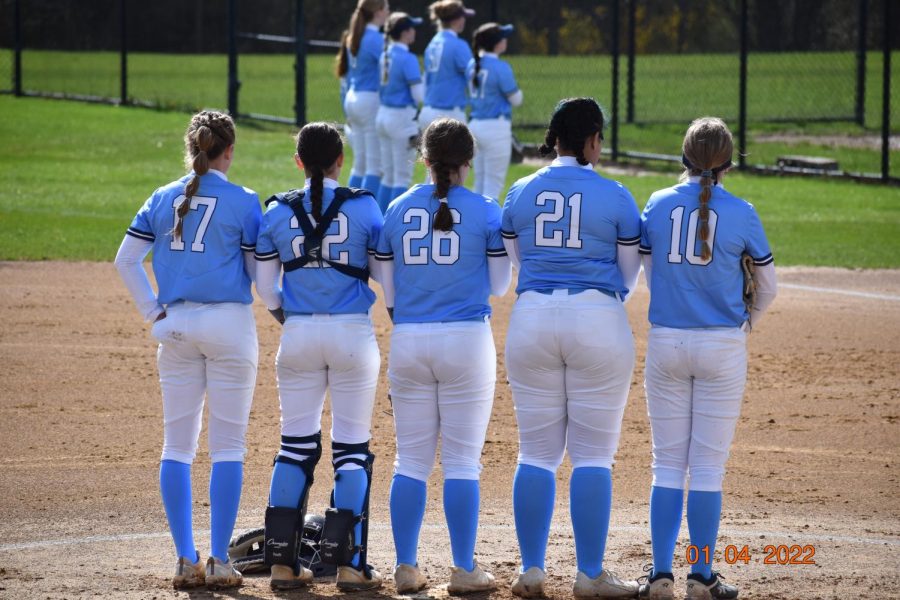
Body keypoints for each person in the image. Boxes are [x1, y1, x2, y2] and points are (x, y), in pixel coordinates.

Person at [113, 110, 261, 590]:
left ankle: (184, 559)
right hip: (229, 327)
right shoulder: (244, 201)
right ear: (229, 151)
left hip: (174, 328)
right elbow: (259, 273)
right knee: (228, 447)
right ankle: (219, 559)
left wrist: (153, 313)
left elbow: (127, 259)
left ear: (191, 147)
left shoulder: (161, 196)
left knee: (177, 446)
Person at [500, 97, 641, 599]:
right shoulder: (617, 194)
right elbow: (628, 276)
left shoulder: (520, 189)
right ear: (591, 141)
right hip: (597, 318)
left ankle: (533, 569)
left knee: (536, 453)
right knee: (593, 456)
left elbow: (515, 258)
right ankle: (589, 574)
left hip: (533, 316)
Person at [636, 117, 777, 600]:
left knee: (666, 464)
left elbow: (651, 276)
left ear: (683, 158)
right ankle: (701, 575)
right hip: (721, 345)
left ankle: (658, 575)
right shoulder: (743, 211)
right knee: (708, 468)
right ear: (729, 164)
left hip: (668, 342)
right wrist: (744, 326)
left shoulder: (656, 203)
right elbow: (768, 287)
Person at [374, 118, 511, 595]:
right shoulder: (487, 211)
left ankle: (406, 567)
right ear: (467, 163)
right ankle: (463, 568)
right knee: (461, 464)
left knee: (409, 461)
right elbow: (498, 286)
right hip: (466, 341)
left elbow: (387, 289)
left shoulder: (396, 208)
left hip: (409, 339)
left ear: (425, 160)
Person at [253, 122, 386, 592]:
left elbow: (266, 288)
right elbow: (386, 277)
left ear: (298, 162)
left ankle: (283, 566)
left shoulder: (275, 212)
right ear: (340, 161)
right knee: (351, 450)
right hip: (352, 336)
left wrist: (291, 319)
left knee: (294, 446)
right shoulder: (366, 205)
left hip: (299, 335)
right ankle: (350, 566)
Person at [419, 0, 475, 182]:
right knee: (453, 173)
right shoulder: (458, 45)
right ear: (456, 20)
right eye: (463, 17)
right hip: (449, 114)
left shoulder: (431, 44)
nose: (465, 21)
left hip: (428, 110)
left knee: (432, 174)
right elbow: (474, 77)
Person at [336, 0, 390, 192]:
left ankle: (349, 210)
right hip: (369, 100)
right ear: (379, 12)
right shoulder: (375, 38)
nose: (388, 13)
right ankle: (368, 214)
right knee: (374, 167)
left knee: (360, 164)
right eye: (386, 9)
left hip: (353, 97)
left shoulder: (356, 35)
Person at [466, 22, 522, 201]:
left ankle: (474, 227)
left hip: (474, 126)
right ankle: (487, 229)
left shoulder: (471, 64)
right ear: (497, 43)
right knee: (492, 187)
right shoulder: (500, 67)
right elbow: (516, 99)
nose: (506, 40)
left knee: (479, 184)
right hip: (495, 128)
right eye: (503, 37)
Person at [375, 12, 425, 212]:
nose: (414, 31)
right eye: (412, 28)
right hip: (400, 118)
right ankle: (394, 221)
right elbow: (419, 95)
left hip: (383, 115)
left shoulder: (385, 54)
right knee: (402, 177)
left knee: (388, 174)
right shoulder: (407, 57)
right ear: (405, 32)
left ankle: (378, 221)